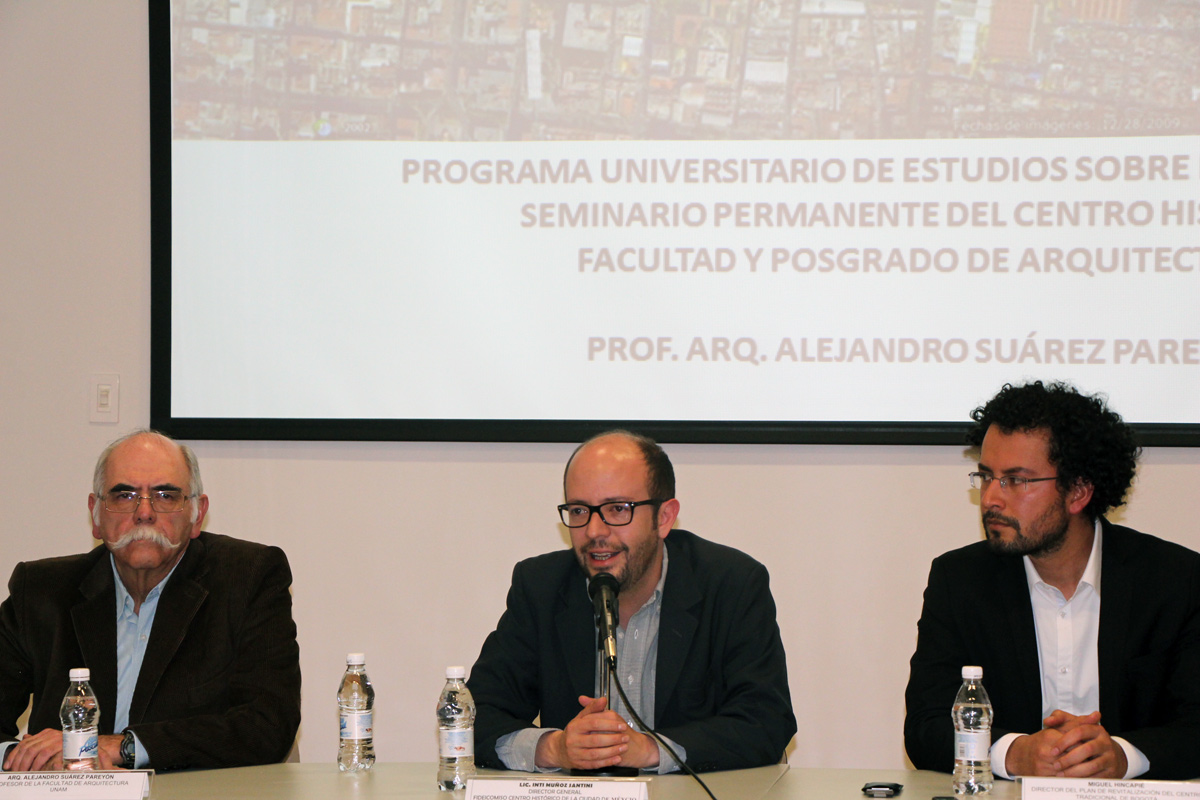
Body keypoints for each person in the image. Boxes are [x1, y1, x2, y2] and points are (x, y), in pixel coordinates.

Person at [904, 381, 1200, 780]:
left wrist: (1123, 756)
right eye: (987, 476)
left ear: (1078, 491)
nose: (991, 497)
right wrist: (1013, 753)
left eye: (1016, 480)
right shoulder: (960, 580)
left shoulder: (1174, 580)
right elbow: (925, 726)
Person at [467, 430, 796, 774]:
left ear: (664, 517)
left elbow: (767, 721)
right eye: (579, 510)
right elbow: (474, 715)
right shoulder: (541, 587)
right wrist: (554, 748)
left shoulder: (731, 584)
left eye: (617, 509)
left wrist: (651, 749)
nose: (595, 530)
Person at [0, 430, 301, 772]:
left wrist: (123, 747)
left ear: (196, 514)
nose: (144, 512)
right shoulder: (40, 591)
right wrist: (30, 757)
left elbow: (267, 724)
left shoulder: (248, 579)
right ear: (96, 514)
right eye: (124, 495)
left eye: (165, 495)